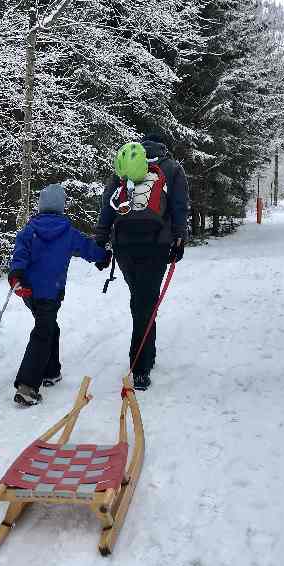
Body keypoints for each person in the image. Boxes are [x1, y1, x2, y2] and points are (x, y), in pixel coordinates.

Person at [95, 132, 189, 391]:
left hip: (125, 245)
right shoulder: (171, 168)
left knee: (142, 299)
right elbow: (180, 206)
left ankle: (148, 354)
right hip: (156, 244)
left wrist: (101, 239)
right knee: (144, 302)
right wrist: (180, 238)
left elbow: (107, 206)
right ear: (162, 146)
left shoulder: (125, 166)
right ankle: (140, 368)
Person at [8, 184, 110, 407]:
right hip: (51, 293)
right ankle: (27, 387)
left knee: (49, 326)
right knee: (43, 332)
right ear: (61, 207)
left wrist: (16, 275)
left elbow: (19, 256)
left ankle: (51, 372)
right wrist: (103, 257)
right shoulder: (67, 232)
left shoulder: (29, 230)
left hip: (29, 293)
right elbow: (88, 248)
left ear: (41, 206)